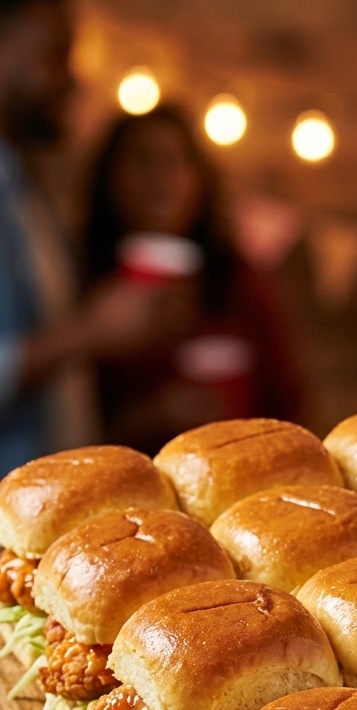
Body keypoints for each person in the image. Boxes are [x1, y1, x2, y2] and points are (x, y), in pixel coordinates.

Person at [0, 0, 184, 471]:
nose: (72, 81)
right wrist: (91, 329)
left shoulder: (23, 186)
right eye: (55, 57)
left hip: (57, 504)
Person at [83, 106, 305, 454]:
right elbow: (65, 423)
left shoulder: (240, 281)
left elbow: (290, 404)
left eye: (176, 161)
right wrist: (150, 415)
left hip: (237, 481)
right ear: (109, 178)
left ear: (201, 179)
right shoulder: (82, 289)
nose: (161, 177)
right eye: (142, 161)